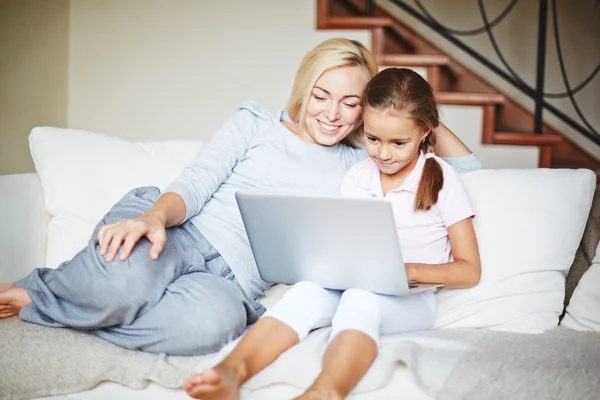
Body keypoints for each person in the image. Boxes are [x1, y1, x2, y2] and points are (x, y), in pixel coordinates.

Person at [0, 40, 480, 357]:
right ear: (304, 89)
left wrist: (420, 113)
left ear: (366, 110)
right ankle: (53, 292)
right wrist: (153, 218)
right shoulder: (255, 122)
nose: (332, 114)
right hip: (180, 231)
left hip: (232, 282)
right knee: (120, 286)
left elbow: (467, 171)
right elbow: (197, 179)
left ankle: (51, 308)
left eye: (351, 103)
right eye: (321, 95)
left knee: (210, 330)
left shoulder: (359, 165)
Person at [182, 67, 481, 400]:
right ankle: (229, 373)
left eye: (398, 143)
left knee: (360, 299)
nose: (383, 153)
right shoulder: (357, 177)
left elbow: (469, 270)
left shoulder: (442, 178)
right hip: (353, 280)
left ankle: (325, 392)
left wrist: (406, 271)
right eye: (372, 139)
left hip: (410, 300)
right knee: (306, 291)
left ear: (425, 130)